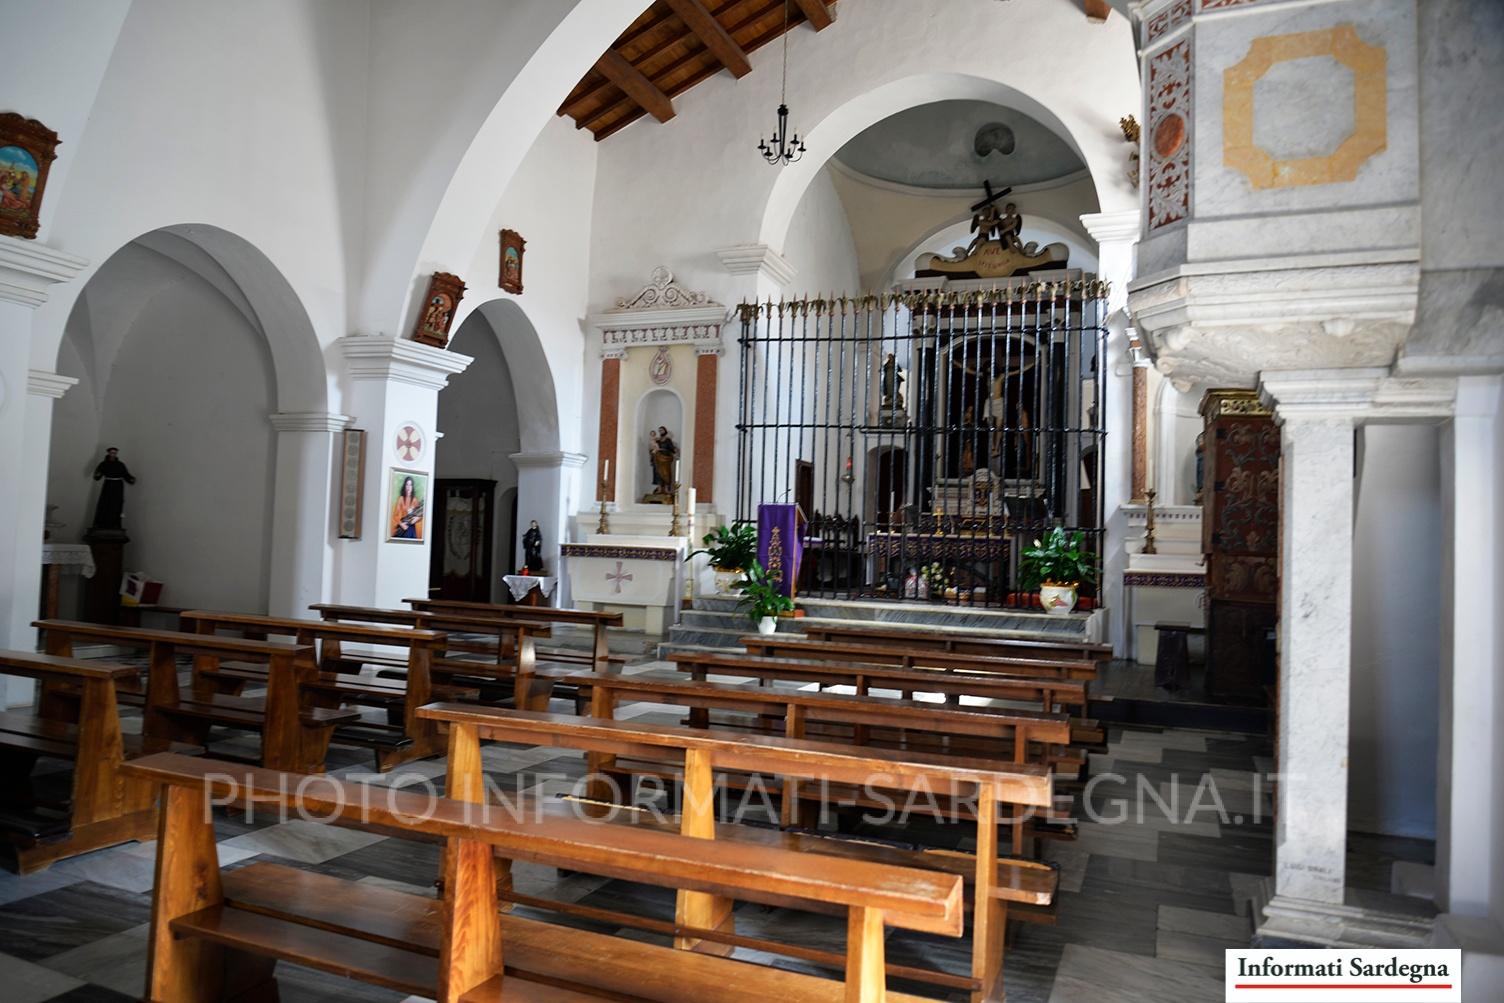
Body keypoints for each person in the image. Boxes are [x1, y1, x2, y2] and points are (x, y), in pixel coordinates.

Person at [90, 447, 137, 530]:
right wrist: (97, 475)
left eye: (114, 453)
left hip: (118, 486)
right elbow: (98, 474)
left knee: (117, 504)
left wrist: (131, 479)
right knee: (105, 503)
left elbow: (125, 474)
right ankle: (101, 524)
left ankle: (115, 524)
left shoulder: (120, 464)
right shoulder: (103, 464)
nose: (113, 455)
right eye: (111, 453)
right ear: (108, 453)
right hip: (108, 485)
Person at [649, 426, 678, 493]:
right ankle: (659, 489)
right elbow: (653, 448)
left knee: (666, 473)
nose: (661, 431)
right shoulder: (657, 440)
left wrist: (675, 450)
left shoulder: (668, 440)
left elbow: (672, 449)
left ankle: (666, 489)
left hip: (665, 459)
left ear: (665, 431)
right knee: (658, 473)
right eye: (659, 430)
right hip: (658, 458)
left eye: (662, 430)